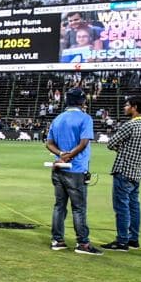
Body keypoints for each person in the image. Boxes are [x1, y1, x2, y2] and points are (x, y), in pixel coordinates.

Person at [45, 88, 102, 255]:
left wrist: (61, 155)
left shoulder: (58, 118)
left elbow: (49, 143)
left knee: (59, 206)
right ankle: (83, 244)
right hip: (76, 169)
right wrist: (69, 156)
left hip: (58, 169)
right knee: (78, 208)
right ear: (82, 102)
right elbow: (84, 142)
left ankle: (57, 240)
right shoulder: (85, 118)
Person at [102, 95, 141, 251]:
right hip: (137, 172)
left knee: (121, 207)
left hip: (124, 170)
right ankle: (133, 239)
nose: (125, 107)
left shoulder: (129, 125)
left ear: (134, 107)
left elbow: (110, 144)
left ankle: (122, 241)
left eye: (127, 105)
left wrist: (122, 149)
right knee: (134, 206)